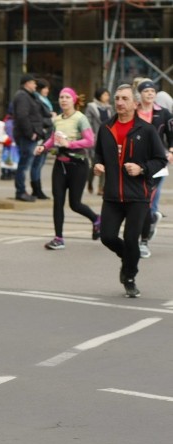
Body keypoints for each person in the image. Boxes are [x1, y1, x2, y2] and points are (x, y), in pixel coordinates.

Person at [94, 84, 167, 298]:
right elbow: (98, 154)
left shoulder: (146, 130)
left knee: (131, 237)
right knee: (107, 236)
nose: (119, 102)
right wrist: (98, 165)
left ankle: (129, 276)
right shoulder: (106, 128)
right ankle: (128, 257)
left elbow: (160, 161)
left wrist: (142, 168)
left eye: (124, 99)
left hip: (138, 195)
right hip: (112, 195)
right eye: (117, 98)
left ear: (135, 104)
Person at [35, 87, 100, 250]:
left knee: (75, 204)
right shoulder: (57, 120)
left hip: (78, 165)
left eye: (67, 97)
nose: (63, 100)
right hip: (60, 164)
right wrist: (43, 147)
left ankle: (97, 219)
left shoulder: (80, 118)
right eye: (61, 97)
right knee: (58, 201)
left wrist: (70, 144)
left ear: (74, 100)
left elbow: (90, 140)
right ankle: (58, 238)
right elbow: (52, 138)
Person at [133, 79, 173, 259]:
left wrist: (171, 151)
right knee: (139, 201)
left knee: (147, 201)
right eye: (146, 91)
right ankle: (146, 227)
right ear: (139, 94)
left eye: (152, 91)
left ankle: (143, 242)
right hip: (136, 163)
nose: (149, 93)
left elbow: (171, 136)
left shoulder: (163, 113)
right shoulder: (133, 112)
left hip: (157, 163)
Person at [11, 73, 46, 201]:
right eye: (33, 83)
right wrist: (30, 133)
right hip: (26, 136)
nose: (35, 85)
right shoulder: (22, 96)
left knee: (25, 163)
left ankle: (21, 191)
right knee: (24, 164)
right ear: (27, 83)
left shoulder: (28, 96)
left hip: (28, 135)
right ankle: (20, 191)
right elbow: (22, 116)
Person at [29, 78, 55, 200]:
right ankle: (36, 189)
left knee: (40, 163)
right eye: (45, 88)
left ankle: (37, 189)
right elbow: (38, 119)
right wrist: (51, 118)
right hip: (41, 135)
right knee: (37, 163)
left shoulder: (44, 100)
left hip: (47, 135)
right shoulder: (37, 100)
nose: (47, 90)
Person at [84, 87, 112, 194]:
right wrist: (91, 136)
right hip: (94, 140)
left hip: (107, 139)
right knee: (95, 164)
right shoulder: (91, 107)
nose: (107, 97)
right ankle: (90, 181)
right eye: (105, 95)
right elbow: (88, 123)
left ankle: (102, 188)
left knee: (105, 164)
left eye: (108, 95)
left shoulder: (109, 108)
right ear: (99, 95)